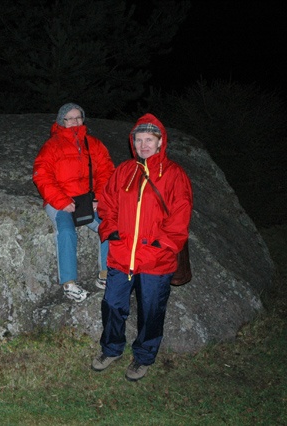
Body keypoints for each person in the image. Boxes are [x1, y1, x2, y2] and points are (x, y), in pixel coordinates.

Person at [92, 113, 192, 381]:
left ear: (160, 143)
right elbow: (107, 205)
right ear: (132, 143)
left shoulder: (174, 175)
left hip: (155, 260)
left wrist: (161, 245)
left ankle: (144, 356)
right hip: (122, 255)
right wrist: (111, 232)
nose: (144, 145)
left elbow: (180, 218)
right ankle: (111, 349)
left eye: (150, 139)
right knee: (112, 305)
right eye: (139, 140)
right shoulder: (124, 171)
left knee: (150, 311)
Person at [33, 103, 115, 302]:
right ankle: (69, 284)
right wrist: (62, 202)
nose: (75, 122)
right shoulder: (51, 146)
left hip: (87, 201)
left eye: (78, 117)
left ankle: (105, 276)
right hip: (60, 201)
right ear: (62, 121)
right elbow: (42, 176)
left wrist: (98, 198)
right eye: (70, 118)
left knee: (110, 227)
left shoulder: (94, 144)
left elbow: (107, 171)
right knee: (67, 231)